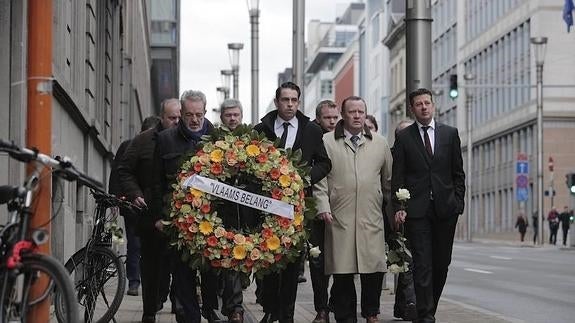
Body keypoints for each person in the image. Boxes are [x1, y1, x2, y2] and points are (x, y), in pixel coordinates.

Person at [254, 81, 331, 323]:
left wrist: (304, 179)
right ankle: (269, 309)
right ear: (277, 102)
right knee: (267, 261)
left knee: (291, 264)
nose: (289, 104)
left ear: (298, 102)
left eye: (293, 100)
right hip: (266, 206)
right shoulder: (261, 129)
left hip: (297, 207)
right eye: (285, 100)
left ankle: (286, 314)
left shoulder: (311, 130)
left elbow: (324, 163)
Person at [315, 95, 392, 323]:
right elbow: (320, 180)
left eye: (361, 112)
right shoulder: (327, 142)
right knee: (342, 273)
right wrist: (323, 205)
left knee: (373, 270)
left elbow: (388, 181)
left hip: (371, 217)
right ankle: (345, 317)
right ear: (343, 114)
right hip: (339, 218)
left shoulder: (380, 143)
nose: (357, 116)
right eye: (352, 112)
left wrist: (394, 211)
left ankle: (371, 313)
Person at [391, 88, 465, 323]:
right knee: (422, 263)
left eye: (427, 103)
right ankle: (425, 315)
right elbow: (398, 175)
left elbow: (458, 173)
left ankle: (429, 305)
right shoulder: (404, 138)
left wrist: (458, 203)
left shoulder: (450, 134)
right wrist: (399, 206)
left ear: (433, 105)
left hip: (445, 209)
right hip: (417, 211)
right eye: (419, 104)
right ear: (412, 109)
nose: (424, 107)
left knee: (441, 263)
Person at [151, 90, 215, 323]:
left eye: (199, 114)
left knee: (212, 276)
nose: (194, 120)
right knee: (182, 275)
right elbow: (156, 182)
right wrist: (158, 216)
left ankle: (211, 310)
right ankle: (190, 317)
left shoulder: (219, 139)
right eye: (189, 114)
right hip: (178, 222)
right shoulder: (166, 139)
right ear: (182, 113)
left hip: (212, 223)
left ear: (205, 112)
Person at [117, 99, 181, 323]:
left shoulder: (190, 139)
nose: (176, 122)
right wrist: (135, 194)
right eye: (172, 118)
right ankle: (149, 312)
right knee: (152, 265)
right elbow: (124, 170)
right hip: (150, 215)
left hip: (181, 218)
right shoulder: (143, 141)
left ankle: (175, 303)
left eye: (179, 118)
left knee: (177, 267)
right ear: (161, 117)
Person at [109, 116, 161, 297]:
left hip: (152, 207)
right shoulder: (129, 146)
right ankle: (134, 282)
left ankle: (149, 285)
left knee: (146, 247)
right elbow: (118, 173)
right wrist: (115, 200)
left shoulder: (162, 145)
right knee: (134, 244)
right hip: (132, 205)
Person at [217, 98, 248, 323]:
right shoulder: (213, 141)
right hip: (220, 212)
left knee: (240, 264)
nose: (232, 119)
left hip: (247, 212)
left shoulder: (252, 141)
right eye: (228, 115)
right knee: (230, 262)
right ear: (222, 118)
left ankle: (233, 304)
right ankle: (235, 308)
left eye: (236, 114)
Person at [388, 119, 417, 321]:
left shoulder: (421, 154)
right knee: (405, 262)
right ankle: (409, 305)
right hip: (394, 216)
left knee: (409, 263)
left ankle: (404, 306)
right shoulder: (390, 156)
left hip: (417, 215)